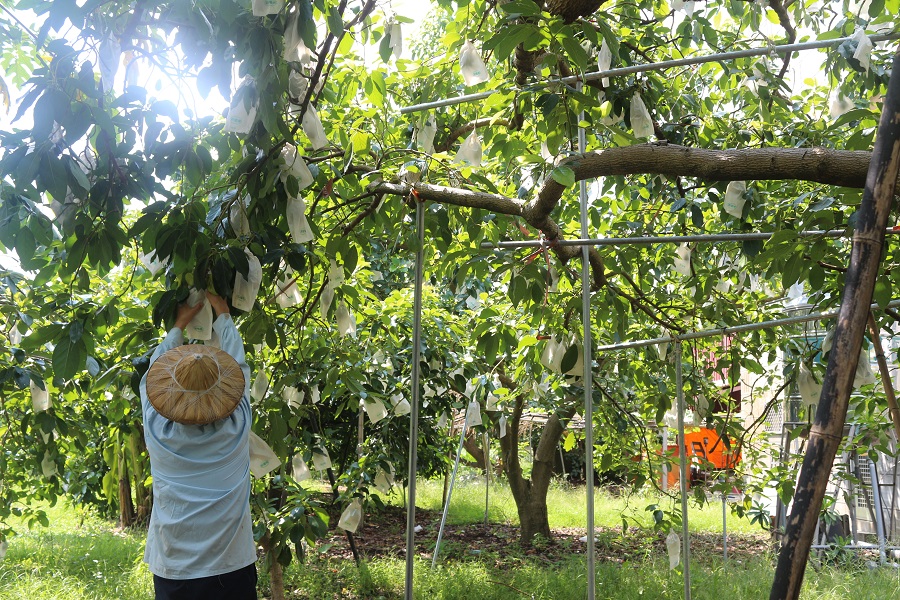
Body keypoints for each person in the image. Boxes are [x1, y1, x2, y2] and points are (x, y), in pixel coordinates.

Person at [139, 291, 258, 600]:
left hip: (173, 568)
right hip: (231, 567)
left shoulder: (157, 429)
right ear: (225, 394)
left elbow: (149, 379)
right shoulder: (237, 427)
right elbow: (240, 370)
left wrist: (178, 325)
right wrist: (224, 317)